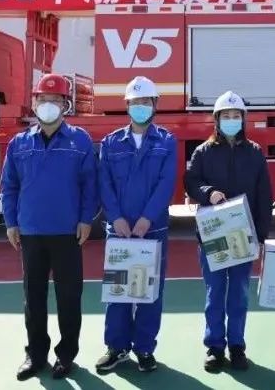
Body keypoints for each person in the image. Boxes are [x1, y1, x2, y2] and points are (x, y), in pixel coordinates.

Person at [1, 73, 98, 381]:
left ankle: (66, 354)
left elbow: (90, 185)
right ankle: (35, 354)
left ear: (65, 105)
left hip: (67, 232)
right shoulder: (19, 143)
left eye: (55, 100)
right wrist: (11, 222)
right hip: (30, 231)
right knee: (34, 296)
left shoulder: (80, 141)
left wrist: (86, 219)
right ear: (34, 103)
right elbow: (9, 185)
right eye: (43, 99)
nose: (48, 105)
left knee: (69, 297)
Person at [184, 90, 274, 372]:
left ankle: (236, 346)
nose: (232, 120)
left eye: (236, 116)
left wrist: (261, 236)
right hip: (212, 235)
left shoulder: (255, 153)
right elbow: (190, 182)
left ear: (243, 120)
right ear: (217, 120)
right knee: (215, 293)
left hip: (243, 237)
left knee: (239, 294)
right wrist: (208, 192)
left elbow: (264, 196)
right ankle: (214, 347)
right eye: (226, 116)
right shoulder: (203, 152)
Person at [95, 76, 177, 373]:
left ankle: (144, 348)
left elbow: (166, 183)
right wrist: (115, 217)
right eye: (135, 102)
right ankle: (116, 347)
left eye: (146, 101)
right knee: (119, 291)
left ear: (155, 105)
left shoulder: (166, 141)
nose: (140, 106)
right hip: (119, 230)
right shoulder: (111, 142)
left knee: (149, 292)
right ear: (127, 105)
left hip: (152, 230)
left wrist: (146, 218)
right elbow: (104, 183)